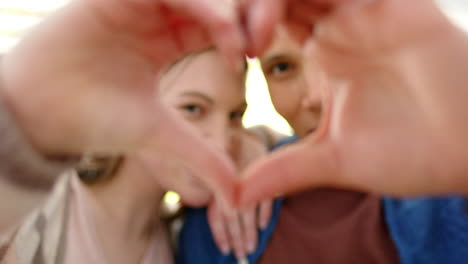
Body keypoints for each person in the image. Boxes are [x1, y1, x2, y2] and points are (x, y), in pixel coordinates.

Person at [0, 49, 274, 263]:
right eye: (193, 109)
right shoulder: (29, 207)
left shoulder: (185, 238)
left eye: (235, 115)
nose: (222, 143)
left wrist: (254, 141)